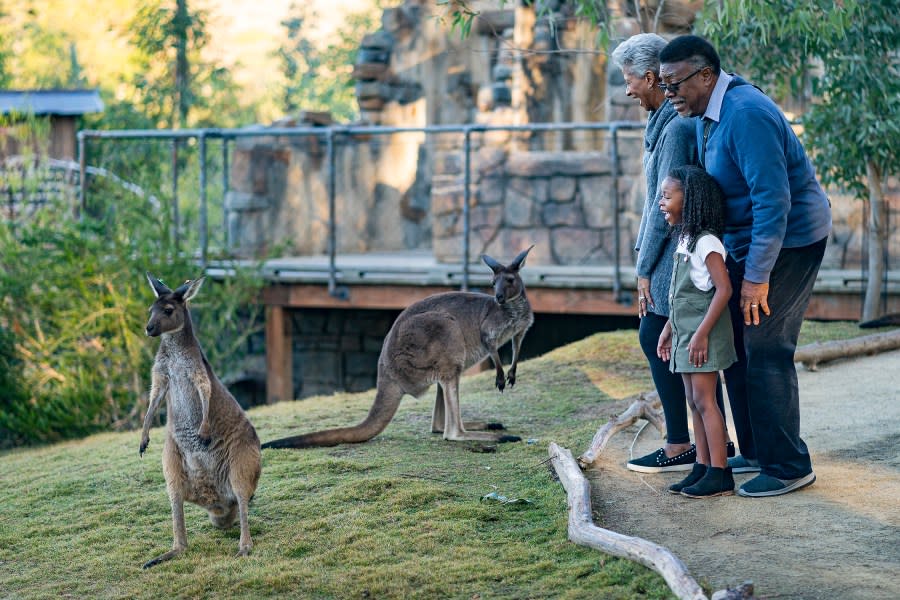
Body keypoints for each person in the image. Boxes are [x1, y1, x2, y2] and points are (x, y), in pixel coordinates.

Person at [659, 35, 832, 497]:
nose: (668, 93)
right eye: (663, 83)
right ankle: (755, 450)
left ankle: (789, 464)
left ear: (706, 75)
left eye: (674, 84)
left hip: (789, 241)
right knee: (732, 343)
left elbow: (774, 202)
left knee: (765, 346)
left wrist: (756, 278)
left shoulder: (745, 115)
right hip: (743, 240)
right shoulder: (703, 116)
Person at [611, 33, 732, 474]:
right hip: (668, 251)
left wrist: (643, 269)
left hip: (673, 253)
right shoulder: (663, 124)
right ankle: (699, 444)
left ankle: (684, 443)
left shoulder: (675, 128)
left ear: (650, 76)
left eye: (630, 80)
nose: (627, 90)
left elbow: (661, 206)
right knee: (663, 339)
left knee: (658, 337)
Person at [656, 166, 737, 498]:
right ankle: (702, 466)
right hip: (686, 334)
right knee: (694, 401)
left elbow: (724, 289)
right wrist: (668, 329)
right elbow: (679, 294)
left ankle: (720, 471)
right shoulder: (685, 239)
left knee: (706, 401)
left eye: (667, 196)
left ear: (689, 201)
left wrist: (702, 334)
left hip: (702, 336)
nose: (661, 202)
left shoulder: (707, 243)